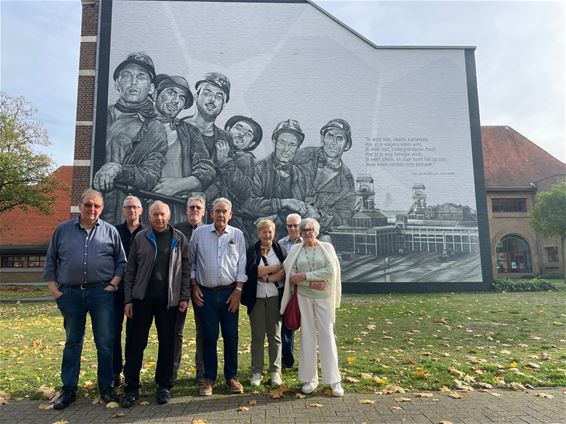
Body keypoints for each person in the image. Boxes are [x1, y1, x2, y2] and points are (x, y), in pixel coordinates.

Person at [44, 189, 127, 409]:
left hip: (101, 293)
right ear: (80, 206)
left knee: (105, 342)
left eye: (96, 206)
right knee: (73, 342)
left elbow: (122, 262)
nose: (92, 210)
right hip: (70, 295)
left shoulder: (110, 232)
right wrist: (55, 291)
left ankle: (106, 387)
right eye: (88, 205)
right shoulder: (62, 230)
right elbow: (50, 262)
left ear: (102, 208)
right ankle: (69, 389)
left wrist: (114, 284)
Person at [120, 201, 191, 407]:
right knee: (135, 343)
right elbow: (130, 270)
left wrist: (184, 297)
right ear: (149, 217)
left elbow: (186, 270)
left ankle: (163, 386)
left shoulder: (179, 238)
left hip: (169, 301)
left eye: (162, 214)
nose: (159, 218)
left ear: (168, 216)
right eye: (155, 215)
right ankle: (131, 388)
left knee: (167, 344)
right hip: (142, 299)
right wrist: (128, 299)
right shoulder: (141, 238)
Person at [93, 52, 167, 224]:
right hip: (91, 211)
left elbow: (150, 176)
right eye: (127, 75)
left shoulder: (154, 128)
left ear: (151, 88)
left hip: (122, 216)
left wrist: (119, 169)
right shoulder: (99, 115)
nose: (133, 81)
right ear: (117, 83)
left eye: (141, 77)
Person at [189, 197, 247, 396]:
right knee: (209, 337)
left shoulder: (238, 235)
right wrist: (194, 286)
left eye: (225, 212)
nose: (221, 215)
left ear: (230, 215)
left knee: (231, 336)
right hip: (205, 294)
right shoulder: (199, 233)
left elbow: (242, 265)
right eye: (217, 211)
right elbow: (191, 262)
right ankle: (209, 379)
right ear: (211, 213)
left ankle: (231, 377)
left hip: (230, 294)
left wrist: (238, 291)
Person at [280, 218, 344, 397]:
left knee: (327, 335)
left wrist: (305, 276)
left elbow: (330, 271)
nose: (307, 232)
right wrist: (312, 283)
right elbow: (291, 274)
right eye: (303, 230)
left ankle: (334, 380)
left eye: (310, 229)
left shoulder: (327, 248)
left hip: (324, 298)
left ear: (316, 230)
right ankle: (310, 379)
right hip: (304, 297)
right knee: (307, 336)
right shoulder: (296, 249)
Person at [187, 73, 251, 228]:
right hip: (177, 208)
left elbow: (226, 183)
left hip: (212, 218)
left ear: (223, 104)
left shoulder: (224, 138)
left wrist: (224, 163)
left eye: (219, 96)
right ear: (197, 96)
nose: (212, 100)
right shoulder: (180, 127)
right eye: (207, 93)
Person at [151, 74, 215, 225]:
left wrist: (178, 185)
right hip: (142, 209)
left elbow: (207, 170)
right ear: (155, 94)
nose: (175, 101)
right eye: (171, 93)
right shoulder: (136, 123)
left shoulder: (189, 132)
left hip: (178, 212)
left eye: (182, 98)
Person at [244, 119, 308, 239]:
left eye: (292, 145)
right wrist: (285, 203)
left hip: (289, 234)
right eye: (282, 142)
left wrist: (275, 218)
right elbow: (250, 204)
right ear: (274, 142)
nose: (286, 149)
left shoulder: (300, 175)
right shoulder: (258, 169)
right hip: (258, 233)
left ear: (298, 148)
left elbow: (301, 209)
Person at [242, 219, 286, 387]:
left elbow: (284, 270)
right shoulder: (252, 251)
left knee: (275, 336)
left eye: (270, 232)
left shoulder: (279, 249)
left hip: (275, 297)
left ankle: (275, 371)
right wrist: (272, 269)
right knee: (258, 336)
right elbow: (252, 271)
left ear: (273, 233)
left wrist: (266, 276)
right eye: (264, 232)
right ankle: (256, 372)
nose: (267, 235)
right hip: (257, 298)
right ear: (258, 233)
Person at [294, 119, 356, 234]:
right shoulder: (303, 156)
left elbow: (343, 215)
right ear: (322, 139)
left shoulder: (346, 181)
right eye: (330, 136)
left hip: (312, 232)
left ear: (346, 145)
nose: (333, 142)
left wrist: (318, 215)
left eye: (339, 138)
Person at [172, 195, 206, 382]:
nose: (194, 210)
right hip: (179, 288)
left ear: (203, 211)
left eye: (198, 208)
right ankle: (172, 371)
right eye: (191, 207)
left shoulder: (209, 231)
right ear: (186, 210)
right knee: (176, 330)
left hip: (202, 288)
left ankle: (201, 371)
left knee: (202, 329)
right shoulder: (176, 231)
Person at [113, 195, 146, 387]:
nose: (132, 211)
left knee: (134, 336)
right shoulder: (114, 232)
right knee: (113, 333)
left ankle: (132, 374)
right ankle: (115, 372)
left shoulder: (148, 233)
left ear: (141, 210)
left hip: (138, 293)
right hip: (117, 292)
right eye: (128, 208)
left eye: (135, 207)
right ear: (123, 210)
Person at [277, 213, 302, 369]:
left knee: (307, 326)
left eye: (295, 225)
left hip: (305, 289)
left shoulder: (307, 242)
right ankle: (287, 360)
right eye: (289, 225)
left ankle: (308, 361)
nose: (292, 228)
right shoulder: (280, 244)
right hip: (286, 289)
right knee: (287, 325)